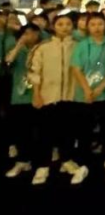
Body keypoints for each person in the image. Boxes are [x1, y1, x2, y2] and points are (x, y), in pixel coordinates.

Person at [28, 13, 76, 185]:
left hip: (71, 96)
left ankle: (67, 160)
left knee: (68, 131)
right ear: (53, 27)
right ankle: (43, 166)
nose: (64, 27)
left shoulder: (78, 46)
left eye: (68, 24)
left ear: (73, 26)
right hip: (48, 96)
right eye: (60, 24)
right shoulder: (43, 47)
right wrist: (36, 94)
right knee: (45, 133)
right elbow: (35, 72)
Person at [69, 13, 105, 184]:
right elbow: (76, 68)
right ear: (87, 27)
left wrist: (102, 86)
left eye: (100, 24)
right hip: (84, 94)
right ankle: (84, 164)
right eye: (93, 24)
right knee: (84, 131)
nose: (97, 27)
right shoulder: (82, 45)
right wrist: (87, 90)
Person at [4, 25, 43, 178]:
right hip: (20, 95)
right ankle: (22, 160)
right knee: (21, 130)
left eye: (34, 32)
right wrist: (19, 45)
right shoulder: (18, 50)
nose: (30, 35)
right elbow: (8, 61)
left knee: (39, 130)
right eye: (27, 33)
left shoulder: (42, 49)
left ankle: (39, 161)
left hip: (39, 94)